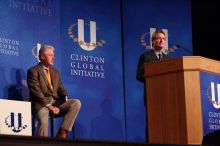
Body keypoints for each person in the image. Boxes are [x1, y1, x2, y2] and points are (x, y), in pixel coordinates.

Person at [27, 45, 81, 139]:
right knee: (44, 123)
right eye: (50, 55)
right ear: (42, 57)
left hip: (55, 102)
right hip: (41, 104)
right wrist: (49, 106)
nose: (53, 57)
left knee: (76, 103)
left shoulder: (55, 72)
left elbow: (60, 88)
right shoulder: (33, 71)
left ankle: (62, 132)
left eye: (53, 55)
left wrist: (65, 97)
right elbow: (36, 92)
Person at [136, 29, 170, 142]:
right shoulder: (146, 56)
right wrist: (151, 79)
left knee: (166, 122)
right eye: (158, 38)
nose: (161, 41)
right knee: (152, 122)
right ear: (153, 41)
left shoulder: (167, 59)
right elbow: (139, 75)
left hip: (166, 96)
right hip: (152, 95)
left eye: (163, 39)